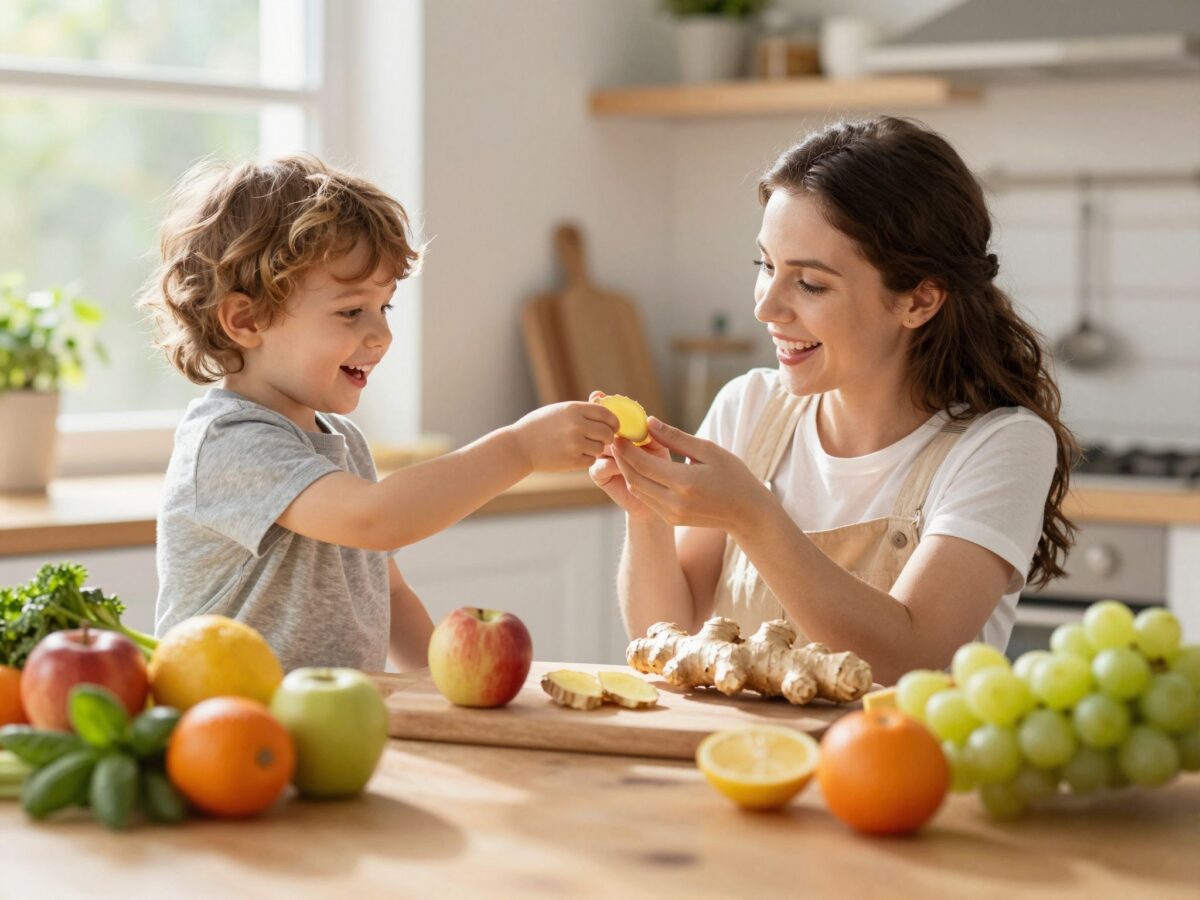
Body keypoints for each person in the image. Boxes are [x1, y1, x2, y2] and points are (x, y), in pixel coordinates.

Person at [591, 117, 1077, 685]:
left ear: (919, 299)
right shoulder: (747, 406)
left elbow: (907, 655)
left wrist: (753, 516)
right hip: (744, 766)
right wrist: (648, 514)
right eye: (766, 266)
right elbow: (667, 638)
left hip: (900, 769)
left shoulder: (1000, 445)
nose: (766, 308)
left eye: (810, 284)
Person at [139, 155, 618, 673]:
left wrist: (442, 690)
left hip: (339, 725)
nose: (382, 335)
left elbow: (387, 592)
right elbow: (376, 519)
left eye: (383, 307)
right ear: (245, 318)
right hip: (233, 734)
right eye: (351, 311)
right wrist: (519, 448)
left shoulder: (343, 441)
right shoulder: (226, 442)